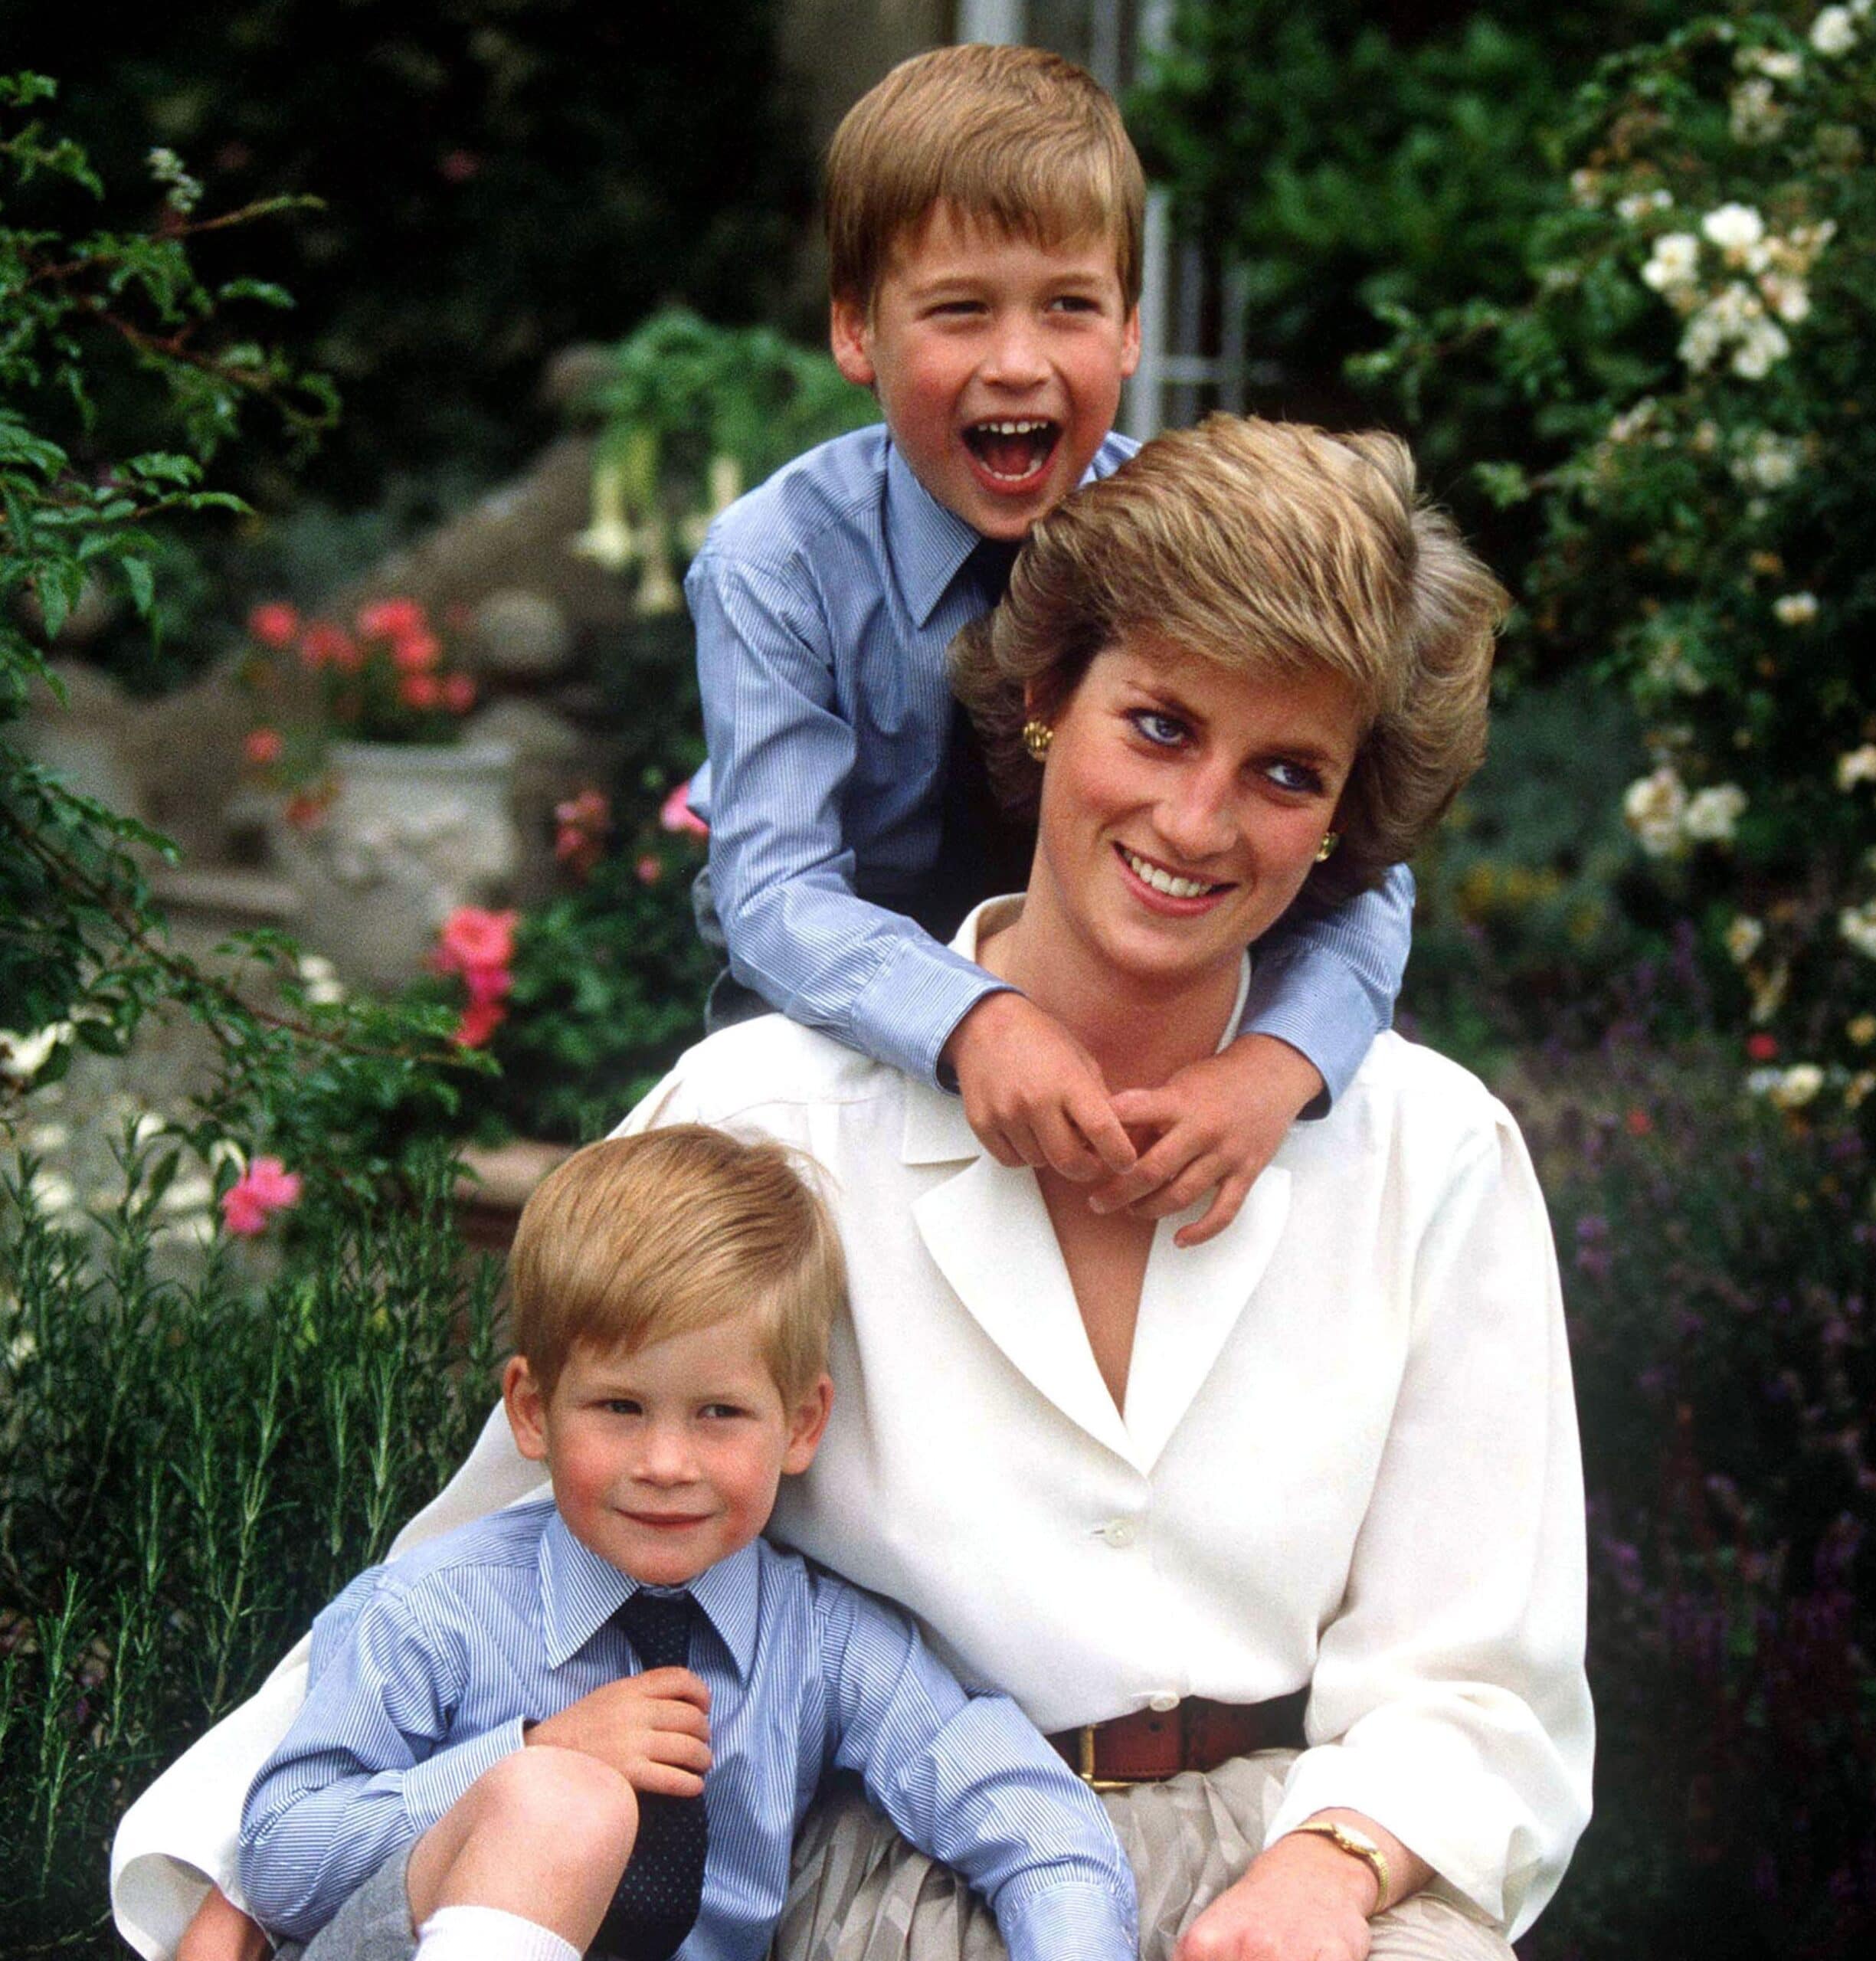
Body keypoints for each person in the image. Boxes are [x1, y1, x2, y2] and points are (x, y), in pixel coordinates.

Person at [114, 417, 1591, 1961]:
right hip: (887, 1871)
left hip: (1296, 1860)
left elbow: (1481, 1669)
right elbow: (504, 1537)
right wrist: (244, 1867)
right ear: (1042, 707)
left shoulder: (1429, 1152)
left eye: (1285, 772)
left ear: (1346, 818)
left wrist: (1340, 1862)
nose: (1198, 819)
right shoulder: (772, 1114)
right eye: (1156, 725)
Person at [687, 44, 1417, 1249]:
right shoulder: (776, 561)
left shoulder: (1190, 542)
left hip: (1138, 1033)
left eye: (1069, 307)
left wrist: (1278, 1067)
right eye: (961, 309)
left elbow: (1364, 866)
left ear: (1132, 333)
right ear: (856, 333)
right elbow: (772, 892)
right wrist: (971, 1018)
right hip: (839, 1027)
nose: (1018, 361)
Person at [235, 1126, 1137, 1961]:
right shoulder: (432, 1610)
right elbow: (278, 1857)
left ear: (801, 1423)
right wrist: (529, 1753)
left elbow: (1030, 1817)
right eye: (620, 1407)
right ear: (533, 1410)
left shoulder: (820, 1641)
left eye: (719, 1413)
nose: (666, 1464)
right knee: (560, 1802)